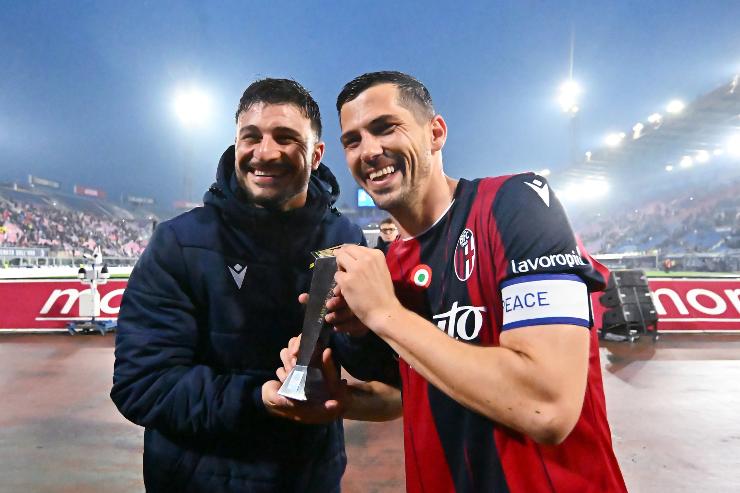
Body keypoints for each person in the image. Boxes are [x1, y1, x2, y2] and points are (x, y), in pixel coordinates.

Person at [291, 71, 626, 492]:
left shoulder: (516, 204)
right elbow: (414, 392)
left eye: (385, 128)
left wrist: (385, 314)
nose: (369, 151)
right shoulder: (389, 263)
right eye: (353, 140)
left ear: (435, 133)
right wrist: (341, 400)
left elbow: (548, 406)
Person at [110, 78, 398, 493]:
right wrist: (258, 398)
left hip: (308, 477)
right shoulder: (179, 242)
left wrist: (361, 331)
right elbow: (143, 384)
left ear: (316, 154)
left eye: (285, 138)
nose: (265, 152)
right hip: (195, 480)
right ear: (236, 144)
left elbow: (381, 369)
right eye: (252, 137)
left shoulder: (345, 238)